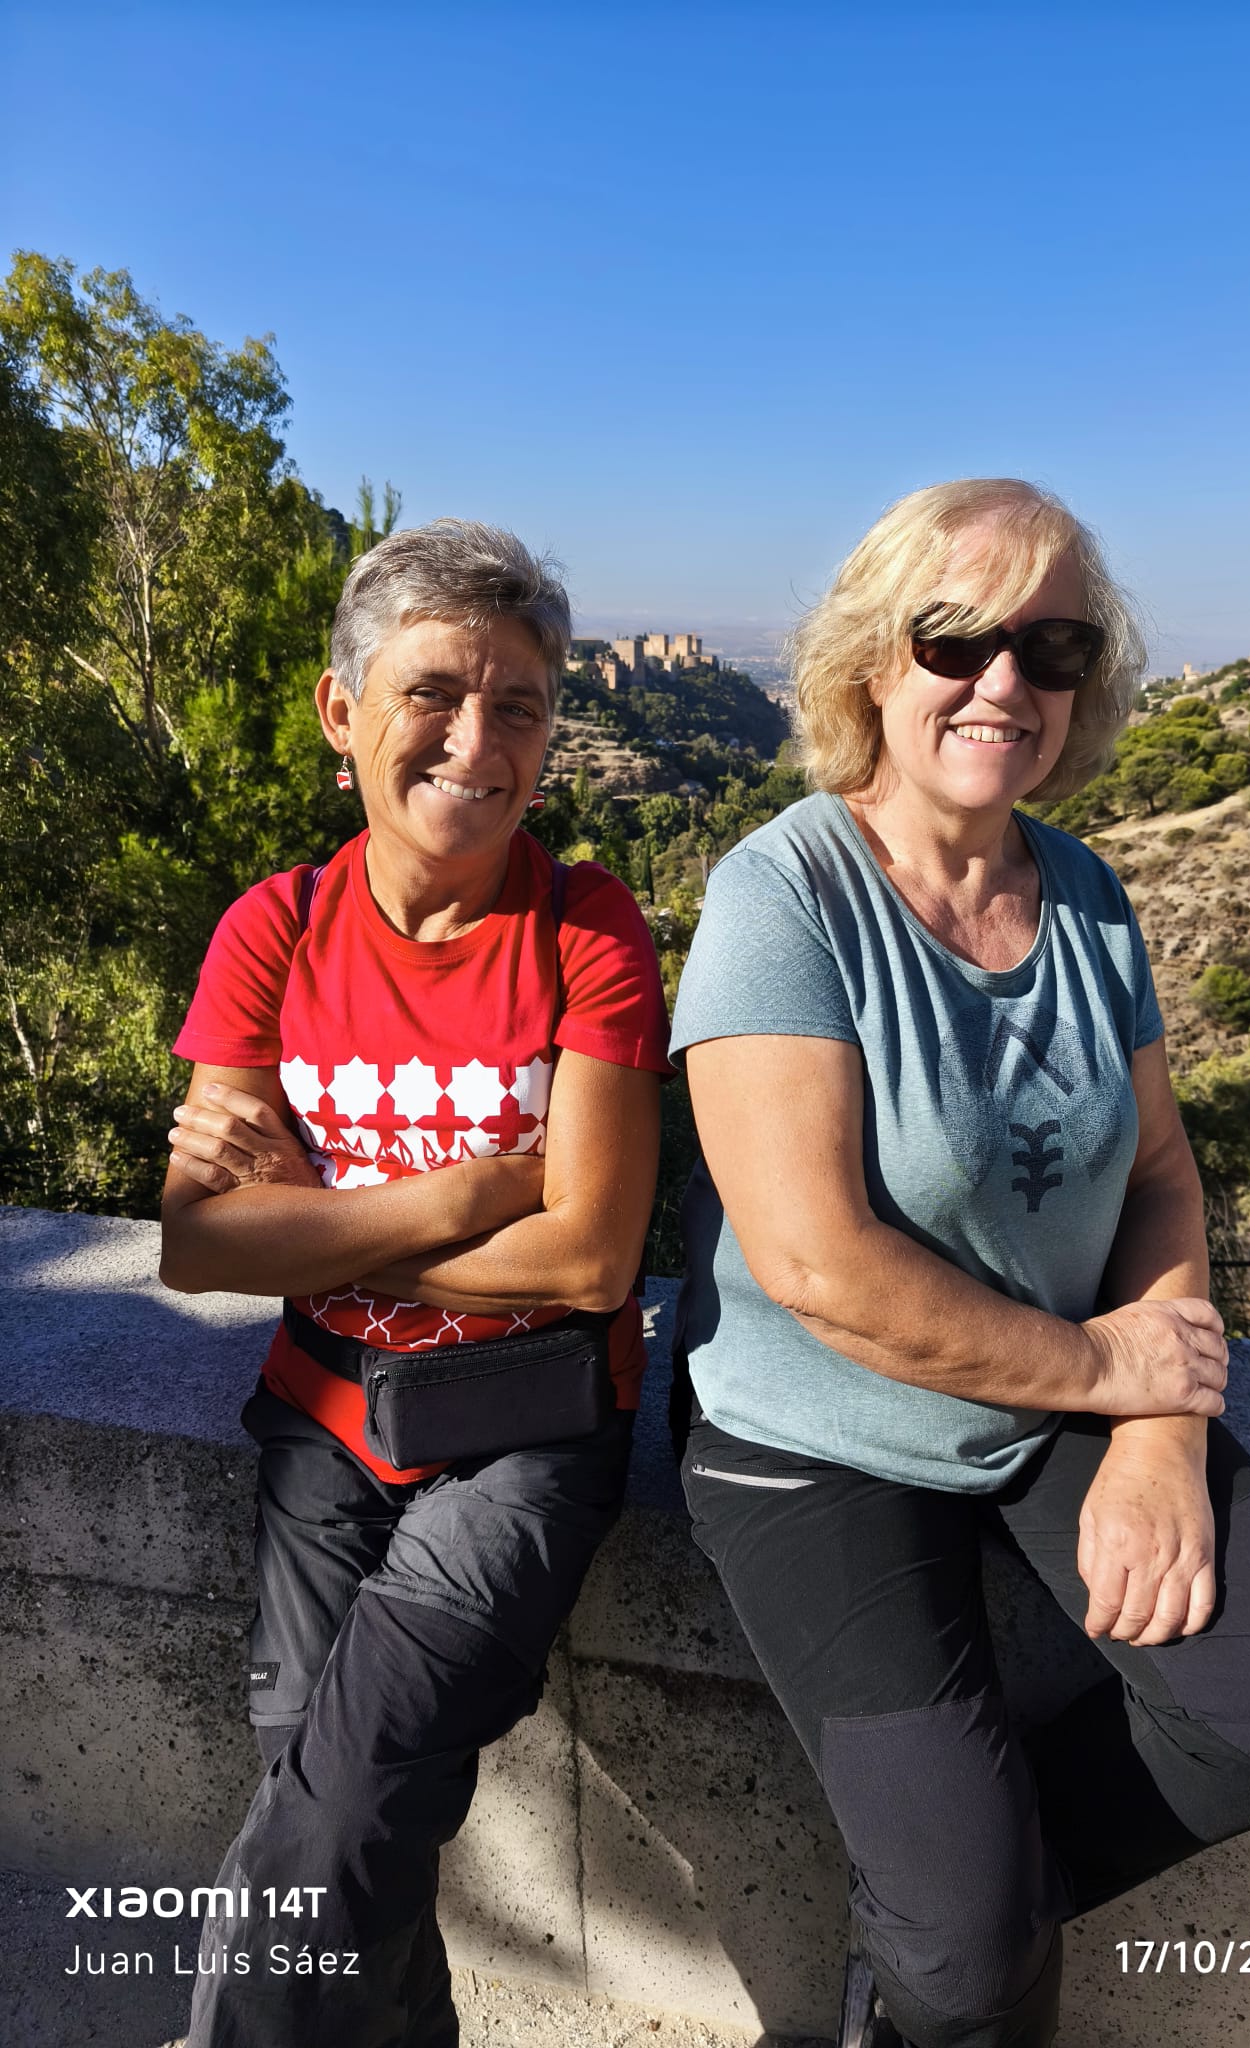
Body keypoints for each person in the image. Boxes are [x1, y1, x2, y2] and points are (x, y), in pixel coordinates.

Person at [669, 479, 1250, 2048]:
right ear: (873, 661)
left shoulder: (1088, 897)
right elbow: (817, 1263)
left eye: (1053, 647)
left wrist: (1161, 1429)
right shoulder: (781, 898)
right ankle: (954, 1936)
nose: (1006, 680)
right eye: (956, 639)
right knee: (977, 1964)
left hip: (1057, 1397)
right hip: (815, 1440)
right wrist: (1104, 1371)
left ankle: (947, 1917)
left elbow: (1162, 1175)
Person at [160, 519, 670, 2048]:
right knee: (321, 1795)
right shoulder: (275, 929)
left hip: (524, 1436)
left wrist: (315, 1215)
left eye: (519, 706)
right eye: (434, 694)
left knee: (339, 1809)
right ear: (344, 710)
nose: (476, 742)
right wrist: (461, 1193)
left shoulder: (588, 928)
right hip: (325, 1423)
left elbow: (590, 1258)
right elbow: (198, 1245)